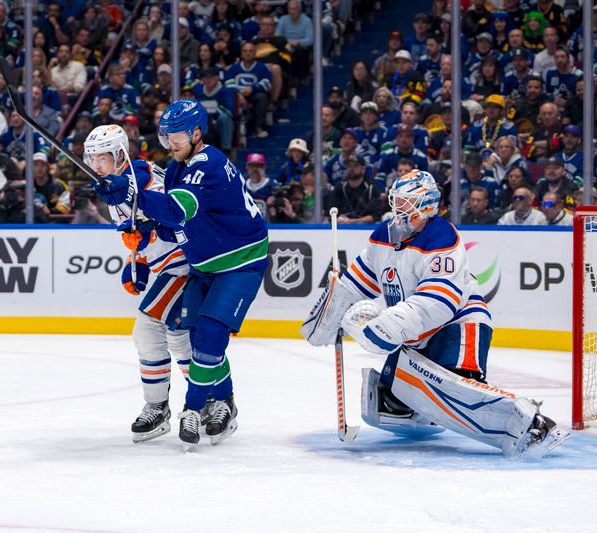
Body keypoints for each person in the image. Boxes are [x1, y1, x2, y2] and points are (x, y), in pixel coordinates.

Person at [302, 169, 567, 459]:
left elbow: (438, 302)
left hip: (458, 325)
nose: (397, 208)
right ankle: (423, 411)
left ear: (425, 206)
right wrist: (327, 316)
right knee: (390, 400)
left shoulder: (441, 237)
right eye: (396, 201)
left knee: (451, 391)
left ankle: (533, 425)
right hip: (416, 335)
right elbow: (354, 285)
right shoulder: (382, 237)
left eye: (405, 202)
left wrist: (385, 325)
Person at [93, 100, 269, 447]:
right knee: (160, 333)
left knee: (181, 336)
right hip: (189, 262)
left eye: (103, 158)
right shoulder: (175, 167)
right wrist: (140, 257)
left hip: (193, 265)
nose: (97, 166)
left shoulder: (165, 173)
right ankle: (186, 404)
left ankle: (210, 403)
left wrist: (137, 204)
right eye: (93, 159)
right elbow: (165, 228)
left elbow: (172, 212)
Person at [329, 154, 385, 225]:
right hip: (343, 226)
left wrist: (352, 221)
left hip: (366, 227)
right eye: (349, 166)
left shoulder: (371, 188)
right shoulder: (340, 187)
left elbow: (375, 216)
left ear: (363, 169)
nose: (351, 169)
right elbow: (332, 211)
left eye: (355, 165)